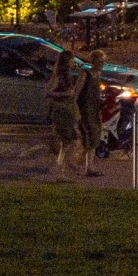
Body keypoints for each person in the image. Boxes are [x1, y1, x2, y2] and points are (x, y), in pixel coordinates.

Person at [46, 50, 88, 179]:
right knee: (70, 140)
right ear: (66, 61)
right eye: (71, 59)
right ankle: (63, 166)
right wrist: (64, 94)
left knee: (68, 142)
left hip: (68, 111)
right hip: (62, 112)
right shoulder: (59, 76)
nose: (73, 62)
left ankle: (60, 169)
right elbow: (48, 92)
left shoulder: (68, 75)